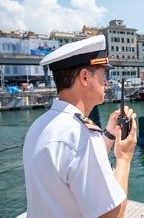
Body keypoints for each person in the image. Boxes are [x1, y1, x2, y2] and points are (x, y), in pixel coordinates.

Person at [23, 35, 137, 218]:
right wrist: (124, 157)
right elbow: (111, 215)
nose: (106, 83)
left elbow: (73, 162)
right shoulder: (81, 135)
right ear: (84, 77)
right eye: (102, 75)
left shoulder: (40, 125)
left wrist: (108, 134)